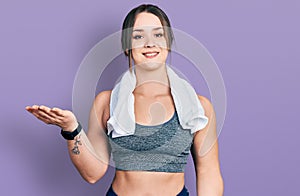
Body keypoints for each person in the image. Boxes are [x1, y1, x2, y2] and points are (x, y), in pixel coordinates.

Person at [26, 4, 224, 196]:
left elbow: (209, 173)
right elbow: (93, 173)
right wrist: (71, 129)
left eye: (158, 34)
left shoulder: (199, 107)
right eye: (138, 36)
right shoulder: (106, 102)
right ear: (127, 46)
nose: (149, 43)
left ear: (168, 43)